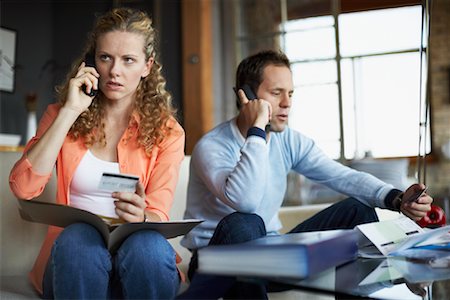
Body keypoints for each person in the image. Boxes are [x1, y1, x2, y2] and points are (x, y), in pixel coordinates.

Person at [177, 49, 433, 299]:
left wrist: (397, 199)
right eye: (276, 93)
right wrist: (257, 129)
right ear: (246, 96)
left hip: (270, 256)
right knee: (246, 221)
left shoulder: (289, 140)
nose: (287, 103)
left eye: (290, 93)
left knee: (358, 210)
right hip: (214, 260)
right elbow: (246, 201)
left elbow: (341, 176)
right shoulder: (212, 146)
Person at [9, 8, 185, 299]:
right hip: (75, 266)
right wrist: (70, 111)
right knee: (78, 237)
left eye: (128, 60)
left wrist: (142, 217)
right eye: (105, 58)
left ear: (147, 65)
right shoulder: (60, 115)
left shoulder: (169, 132)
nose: (114, 71)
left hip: (138, 262)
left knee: (147, 246)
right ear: (91, 62)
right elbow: (23, 187)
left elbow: (159, 212)